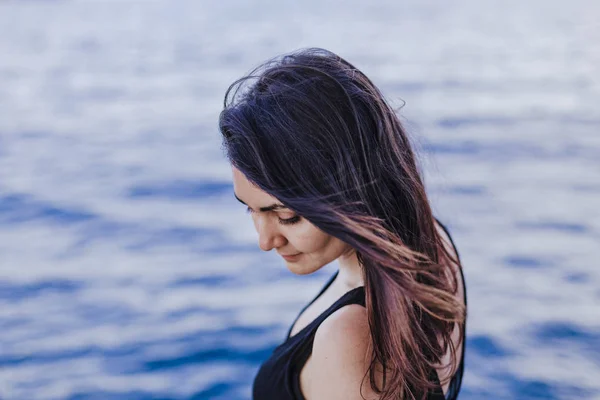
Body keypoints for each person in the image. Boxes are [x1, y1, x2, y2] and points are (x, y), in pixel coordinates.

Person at [218, 48, 467, 400]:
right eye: (250, 210)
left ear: (347, 193)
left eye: (288, 217)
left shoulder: (348, 342)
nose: (265, 240)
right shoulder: (431, 245)